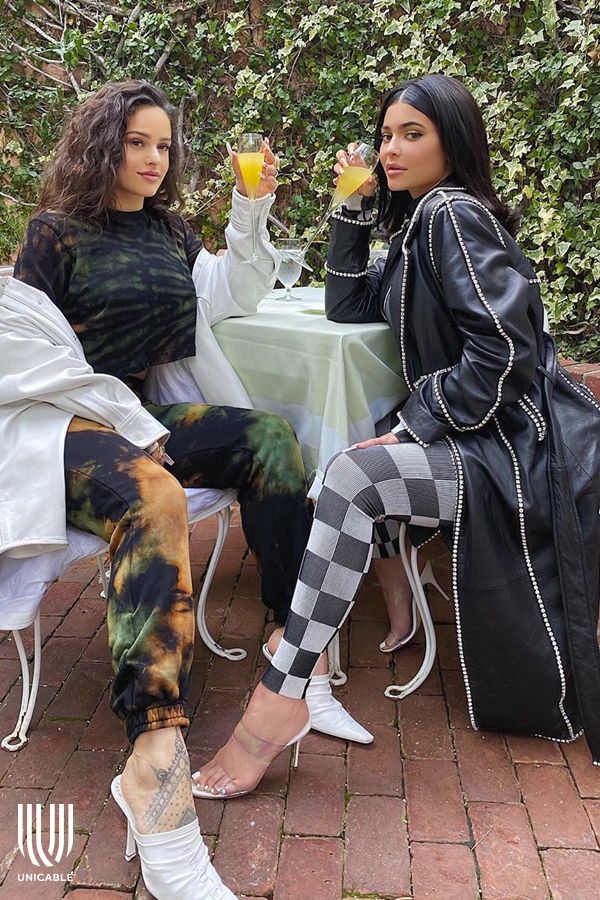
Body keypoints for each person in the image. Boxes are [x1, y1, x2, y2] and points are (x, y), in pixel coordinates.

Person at [193, 73, 600, 801]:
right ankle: (298, 677)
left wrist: (413, 421)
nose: (390, 148)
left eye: (412, 134)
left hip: (520, 450)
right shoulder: (419, 224)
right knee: (354, 466)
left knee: (353, 473)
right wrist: (350, 202)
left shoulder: (451, 215)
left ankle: (280, 695)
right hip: (487, 441)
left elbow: (506, 352)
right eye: (386, 134)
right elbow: (349, 304)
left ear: (454, 142)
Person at [7, 77, 317, 899]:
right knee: (157, 497)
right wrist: (84, 375)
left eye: (163, 146)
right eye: (137, 142)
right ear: (104, 145)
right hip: (68, 422)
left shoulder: (172, 233)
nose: (153, 158)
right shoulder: (55, 233)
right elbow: (21, 344)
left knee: (272, 440)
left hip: (141, 411)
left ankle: (293, 651)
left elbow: (230, 294)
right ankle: (152, 752)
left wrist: (252, 210)